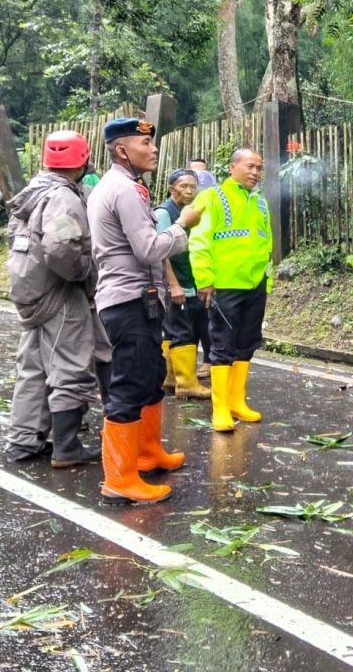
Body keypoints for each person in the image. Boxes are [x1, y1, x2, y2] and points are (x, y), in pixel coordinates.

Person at [88, 117, 203, 504]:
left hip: (139, 299)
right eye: (144, 143)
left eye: (152, 143)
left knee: (152, 374)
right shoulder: (123, 190)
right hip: (127, 301)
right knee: (128, 386)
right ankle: (119, 479)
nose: (153, 149)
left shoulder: (125, 186)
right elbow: (149, 249)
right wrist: (182, 224)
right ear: (122, 150)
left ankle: (147, 452)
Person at [4, 131, 102, 467]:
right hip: (58, 291)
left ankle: (24, 442)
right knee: (70, 366)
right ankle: (67, 447)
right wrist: (81, 272)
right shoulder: (63, 197)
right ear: (83, 159)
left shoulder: (33, 191)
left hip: (29, 290)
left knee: (32, 367)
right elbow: (60, 248)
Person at [188, 148, 273, 432]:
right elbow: (199, 241)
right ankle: (220, 408)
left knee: (247, 343)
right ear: (232, 167)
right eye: (250, 167)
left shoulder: (260, 203)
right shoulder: (212, 197)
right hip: (224, 285)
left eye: (259, 168)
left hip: (254, 284)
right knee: (222, 345)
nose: (255, 173)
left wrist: (267, 281)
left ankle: (237, 401)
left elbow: (267, 245)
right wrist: (204, 279)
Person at [154, 169, 212, 401]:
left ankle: (170, 378)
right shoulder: (164, 213)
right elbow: (162, 253)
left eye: (192, 186)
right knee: (182, 331)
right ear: (171, 189)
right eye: (183, 186)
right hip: (177, 282)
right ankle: (187, 384)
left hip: (191, 279)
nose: (189, 191)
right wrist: (173, 285)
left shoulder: (193, 211)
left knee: (176, 328)